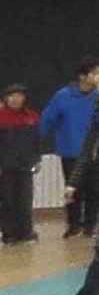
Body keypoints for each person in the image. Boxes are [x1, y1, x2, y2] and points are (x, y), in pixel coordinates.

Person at [0, 87, 44, 244]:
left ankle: (26, 233)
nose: (16, 99)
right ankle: (9, 234)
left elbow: (37, 140)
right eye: (12, 96)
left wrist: (37, 159)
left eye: (19, 96)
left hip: (25, 166)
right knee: (7, 201)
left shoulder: (31, 116)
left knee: (25, 201)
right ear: (6, 98)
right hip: (4, 166)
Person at [43, 61, 98, 240]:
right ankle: (73, 225)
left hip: (94, 152)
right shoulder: (63, 96)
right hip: (71, 152)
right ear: (82, 76)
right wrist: (36, 142)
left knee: (94, 190)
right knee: (73, 191)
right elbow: (47, 119)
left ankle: (90, 225)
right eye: (95, 73)